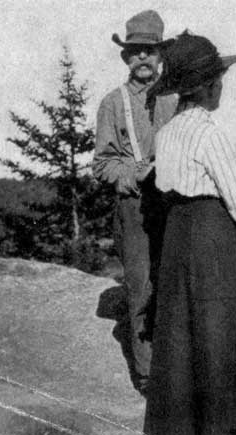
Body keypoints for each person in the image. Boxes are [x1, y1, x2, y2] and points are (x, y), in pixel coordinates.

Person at [143, 31, 236, 435]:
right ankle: (217, 430)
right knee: (216, 327)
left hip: (177, 233)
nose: (222, 86)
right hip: (210, 237)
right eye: (219, 80)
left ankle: (177, 429)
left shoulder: (167, 132)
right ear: (208, 86)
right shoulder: (210, 133)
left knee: (177, 330)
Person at [92, 10, 178, 396]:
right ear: (126, 58)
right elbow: (102, 163)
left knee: (175, 284)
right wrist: (134, 173)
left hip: (175, 205)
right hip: (135, 206)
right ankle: (147, 376)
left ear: (161, 56)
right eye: (136, 52)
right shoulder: (113, 103)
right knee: (141, 287)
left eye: (150, 51)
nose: (143, 58)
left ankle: (178, 364)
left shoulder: (177, 98)